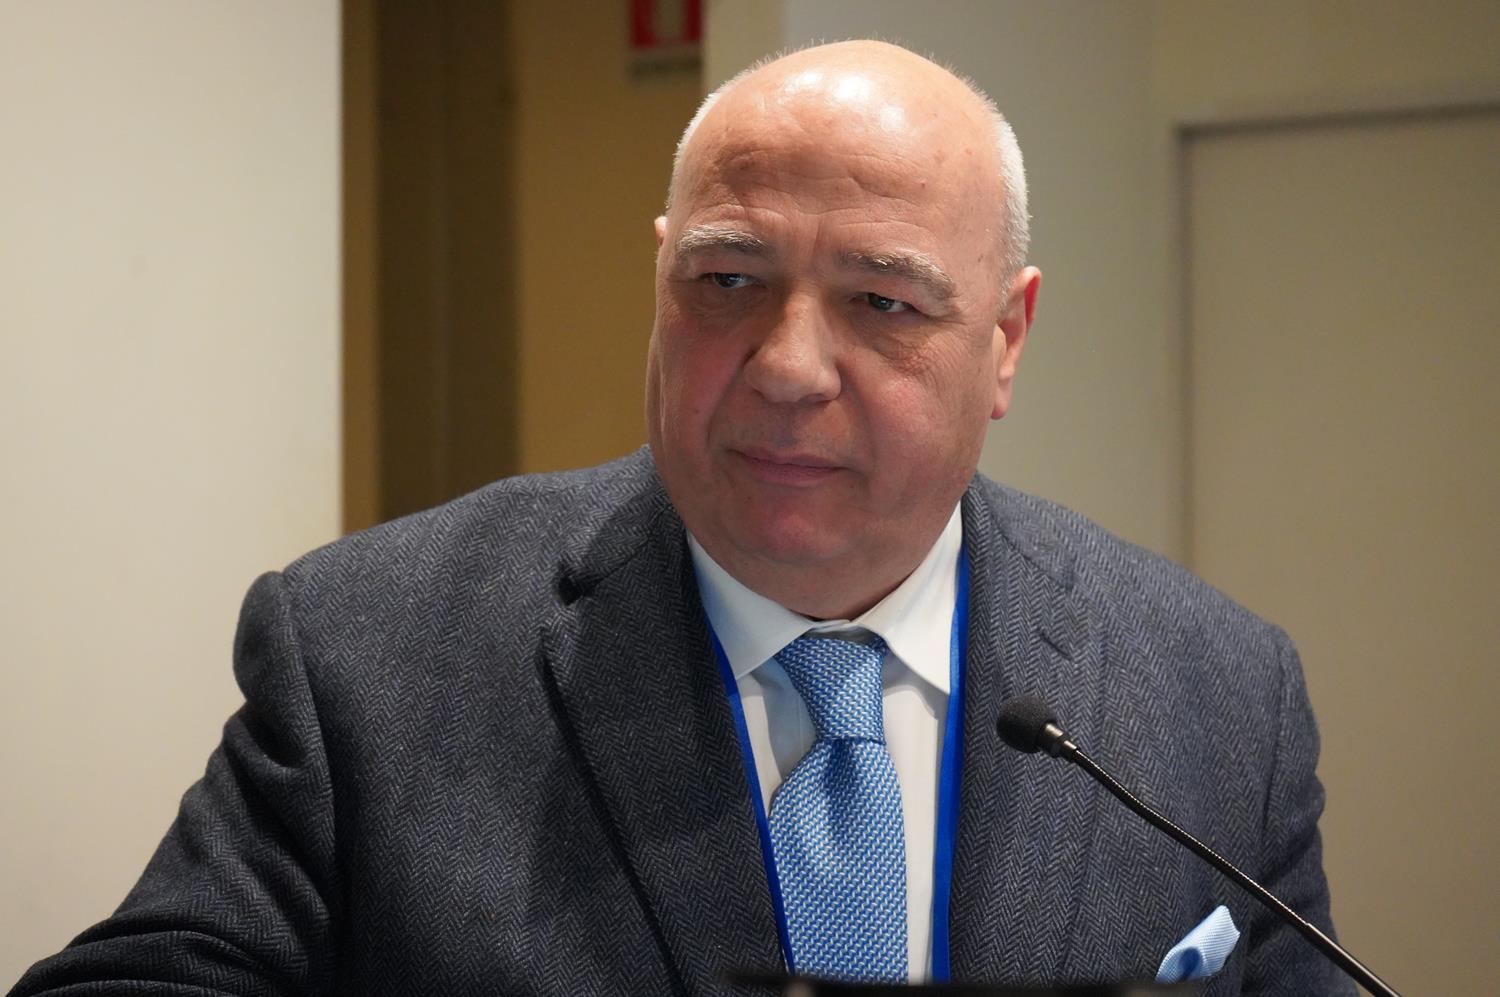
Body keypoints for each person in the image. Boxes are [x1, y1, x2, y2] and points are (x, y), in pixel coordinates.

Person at [11, 40, 1349, 996]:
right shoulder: (371, 652)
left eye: (883, 302)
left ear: (1005, 339)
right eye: (727, 282)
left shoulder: (1216, 694)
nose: (787, 366)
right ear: (661, 280)